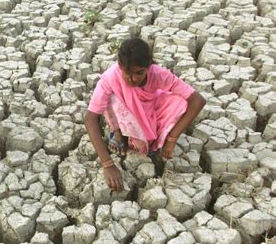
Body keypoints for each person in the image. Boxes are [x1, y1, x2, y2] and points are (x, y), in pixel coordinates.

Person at [85, 38, 206, 191]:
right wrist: (108, 164)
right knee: (113, 98)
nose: (132, 79)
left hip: (148, 113)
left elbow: (197, 100)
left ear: (148, 67)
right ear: (120, 66)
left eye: (139, 73)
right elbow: (90, 120)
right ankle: (118, 133)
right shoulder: (110, 78)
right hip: (123, 118)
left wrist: (172, 138)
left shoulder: (158, 74)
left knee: (181, 101)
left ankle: (147, 137)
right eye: (127, 73)